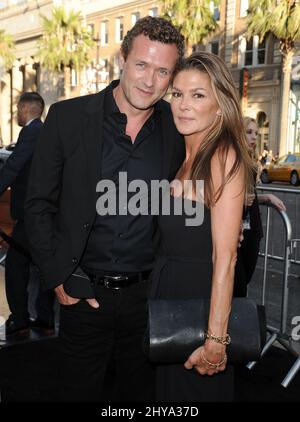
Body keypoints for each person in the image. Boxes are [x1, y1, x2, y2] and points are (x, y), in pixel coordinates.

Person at [24, 17, 185, 401]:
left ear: (172, 77)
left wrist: (251, 193)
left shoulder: (177, 128)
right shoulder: (67, 118)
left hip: (148, 300)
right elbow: (37, 204)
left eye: (162, 71)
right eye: (141, 65)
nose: (149, 81)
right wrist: (59, 275)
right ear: (122, 59)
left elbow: (211, 169)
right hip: (83, 293)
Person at [149, 52, 254, 402]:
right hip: (168, 303)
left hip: (200, 310)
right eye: (177, 94)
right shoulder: (182, 157)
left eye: (198, 95)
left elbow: (225, 260)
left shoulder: (223, 156)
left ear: (220, 105)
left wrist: (216, 340)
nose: (183, 105)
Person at [0, 92, 55, 335]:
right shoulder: (47, 132)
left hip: (33, 214)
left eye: (18, 109)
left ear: (25, 108)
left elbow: (14, 165)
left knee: (15, 265)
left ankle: (20, 318)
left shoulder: (31, 132)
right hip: (45, 213)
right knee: (42, 265)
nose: (17, 113)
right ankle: (44, 317)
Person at [234, 117, 286, 297]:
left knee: (244, 281)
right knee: (237, 285)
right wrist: (239, 199)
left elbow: (250, 194)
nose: (254, 137)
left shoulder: (251, 159)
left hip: (252, 230)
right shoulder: (231, 158)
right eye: (249, 132)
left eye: (256, 133)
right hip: (234, 231)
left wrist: (265, 197)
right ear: (238, 132)